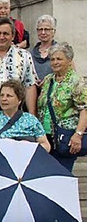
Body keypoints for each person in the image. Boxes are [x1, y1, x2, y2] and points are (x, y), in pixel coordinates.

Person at [37, 43, 87, 172]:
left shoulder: (77, 81)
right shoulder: (48, 79)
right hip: (46, 137)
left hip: (66, 137)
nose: (55, 62)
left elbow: (84, 110)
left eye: (59, 59)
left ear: (69, 61)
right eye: (52, 59)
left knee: (61, 174)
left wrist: (78, 135)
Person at [0, 80, 50, 151]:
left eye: (9, 96)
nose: (4, 99)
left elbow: (46, 145)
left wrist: (28, 149)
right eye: (1, 95)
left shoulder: (30, 120)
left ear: (19, 100)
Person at [31, 14, 58, 82]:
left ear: (53, 31)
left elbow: (70, 76)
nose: (43, 32)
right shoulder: (30, 54)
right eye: (40, 29)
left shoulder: (61, 52)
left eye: (46, 29)